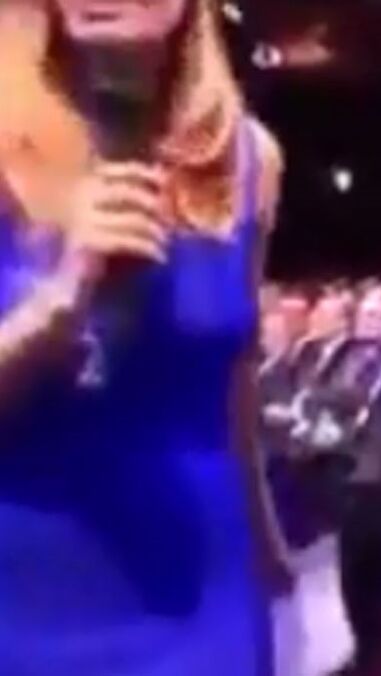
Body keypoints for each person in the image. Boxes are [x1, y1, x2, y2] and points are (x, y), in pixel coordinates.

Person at [0, 0, 288, 673]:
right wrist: (58, 301)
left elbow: (233, 386)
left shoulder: (250, 159)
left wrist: (269, 553)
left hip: (204, 598)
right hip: (24, 594)